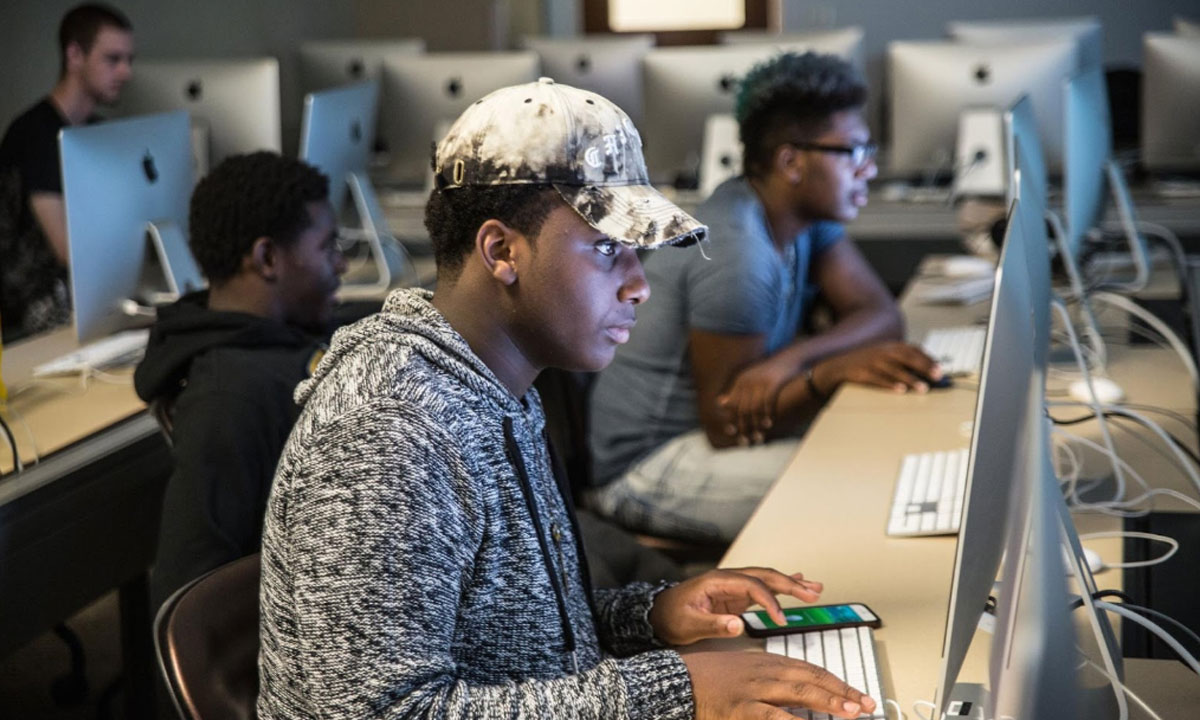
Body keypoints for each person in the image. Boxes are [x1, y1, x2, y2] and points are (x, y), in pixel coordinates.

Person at [257, 78, 877, 720]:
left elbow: (517, 643)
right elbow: (385, 712)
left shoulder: (498, 386)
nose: (639, 285)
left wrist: (650, 616)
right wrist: (676, 690)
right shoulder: (389, 432)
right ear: (502, 251)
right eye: (607, 249)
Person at [588, 52, 941, 543]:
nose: (870, 169)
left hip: (710, 440)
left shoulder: (801, 219)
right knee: (880, 487)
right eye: (853, 152)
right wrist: (827, 373)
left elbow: (881, 315)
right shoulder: (740, 254)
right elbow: (728, 426)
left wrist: (792, 361)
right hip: (649, 466)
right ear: (791, 162)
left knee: (898, 451)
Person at [134, 152, 346, 608]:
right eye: (328, 247)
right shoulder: (227, 402)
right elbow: (189, 600)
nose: (342, 265)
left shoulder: (293, 340)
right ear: (268, 258)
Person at [0, 3, 134, 342]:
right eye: (113, 59)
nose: (125, 72)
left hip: (86, 299)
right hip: (34, 309)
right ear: (75, 55)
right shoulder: (36, 133)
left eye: (128, 60)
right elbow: (65, 249)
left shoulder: (98, 132)